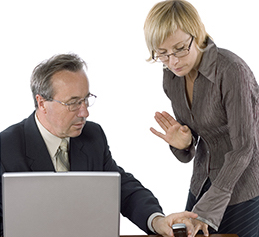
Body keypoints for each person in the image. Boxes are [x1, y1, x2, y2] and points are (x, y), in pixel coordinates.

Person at [0, 53, 198, 237]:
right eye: (73, 103)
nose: (84, 112)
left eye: (86, 99)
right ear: (42, 103)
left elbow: (121, 188)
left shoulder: (92, 136)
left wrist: (157, 221)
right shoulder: (5, 148)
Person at [143, 0, 259, 236]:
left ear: (197, 34)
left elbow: (244, 148)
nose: (172, 61)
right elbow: (194, 138)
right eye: (162, 54)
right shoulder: (171, 77)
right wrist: (183, 144)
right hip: (202, 182)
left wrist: (207, 211)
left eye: (179, 49)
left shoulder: (231, 71)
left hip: (245, 187)